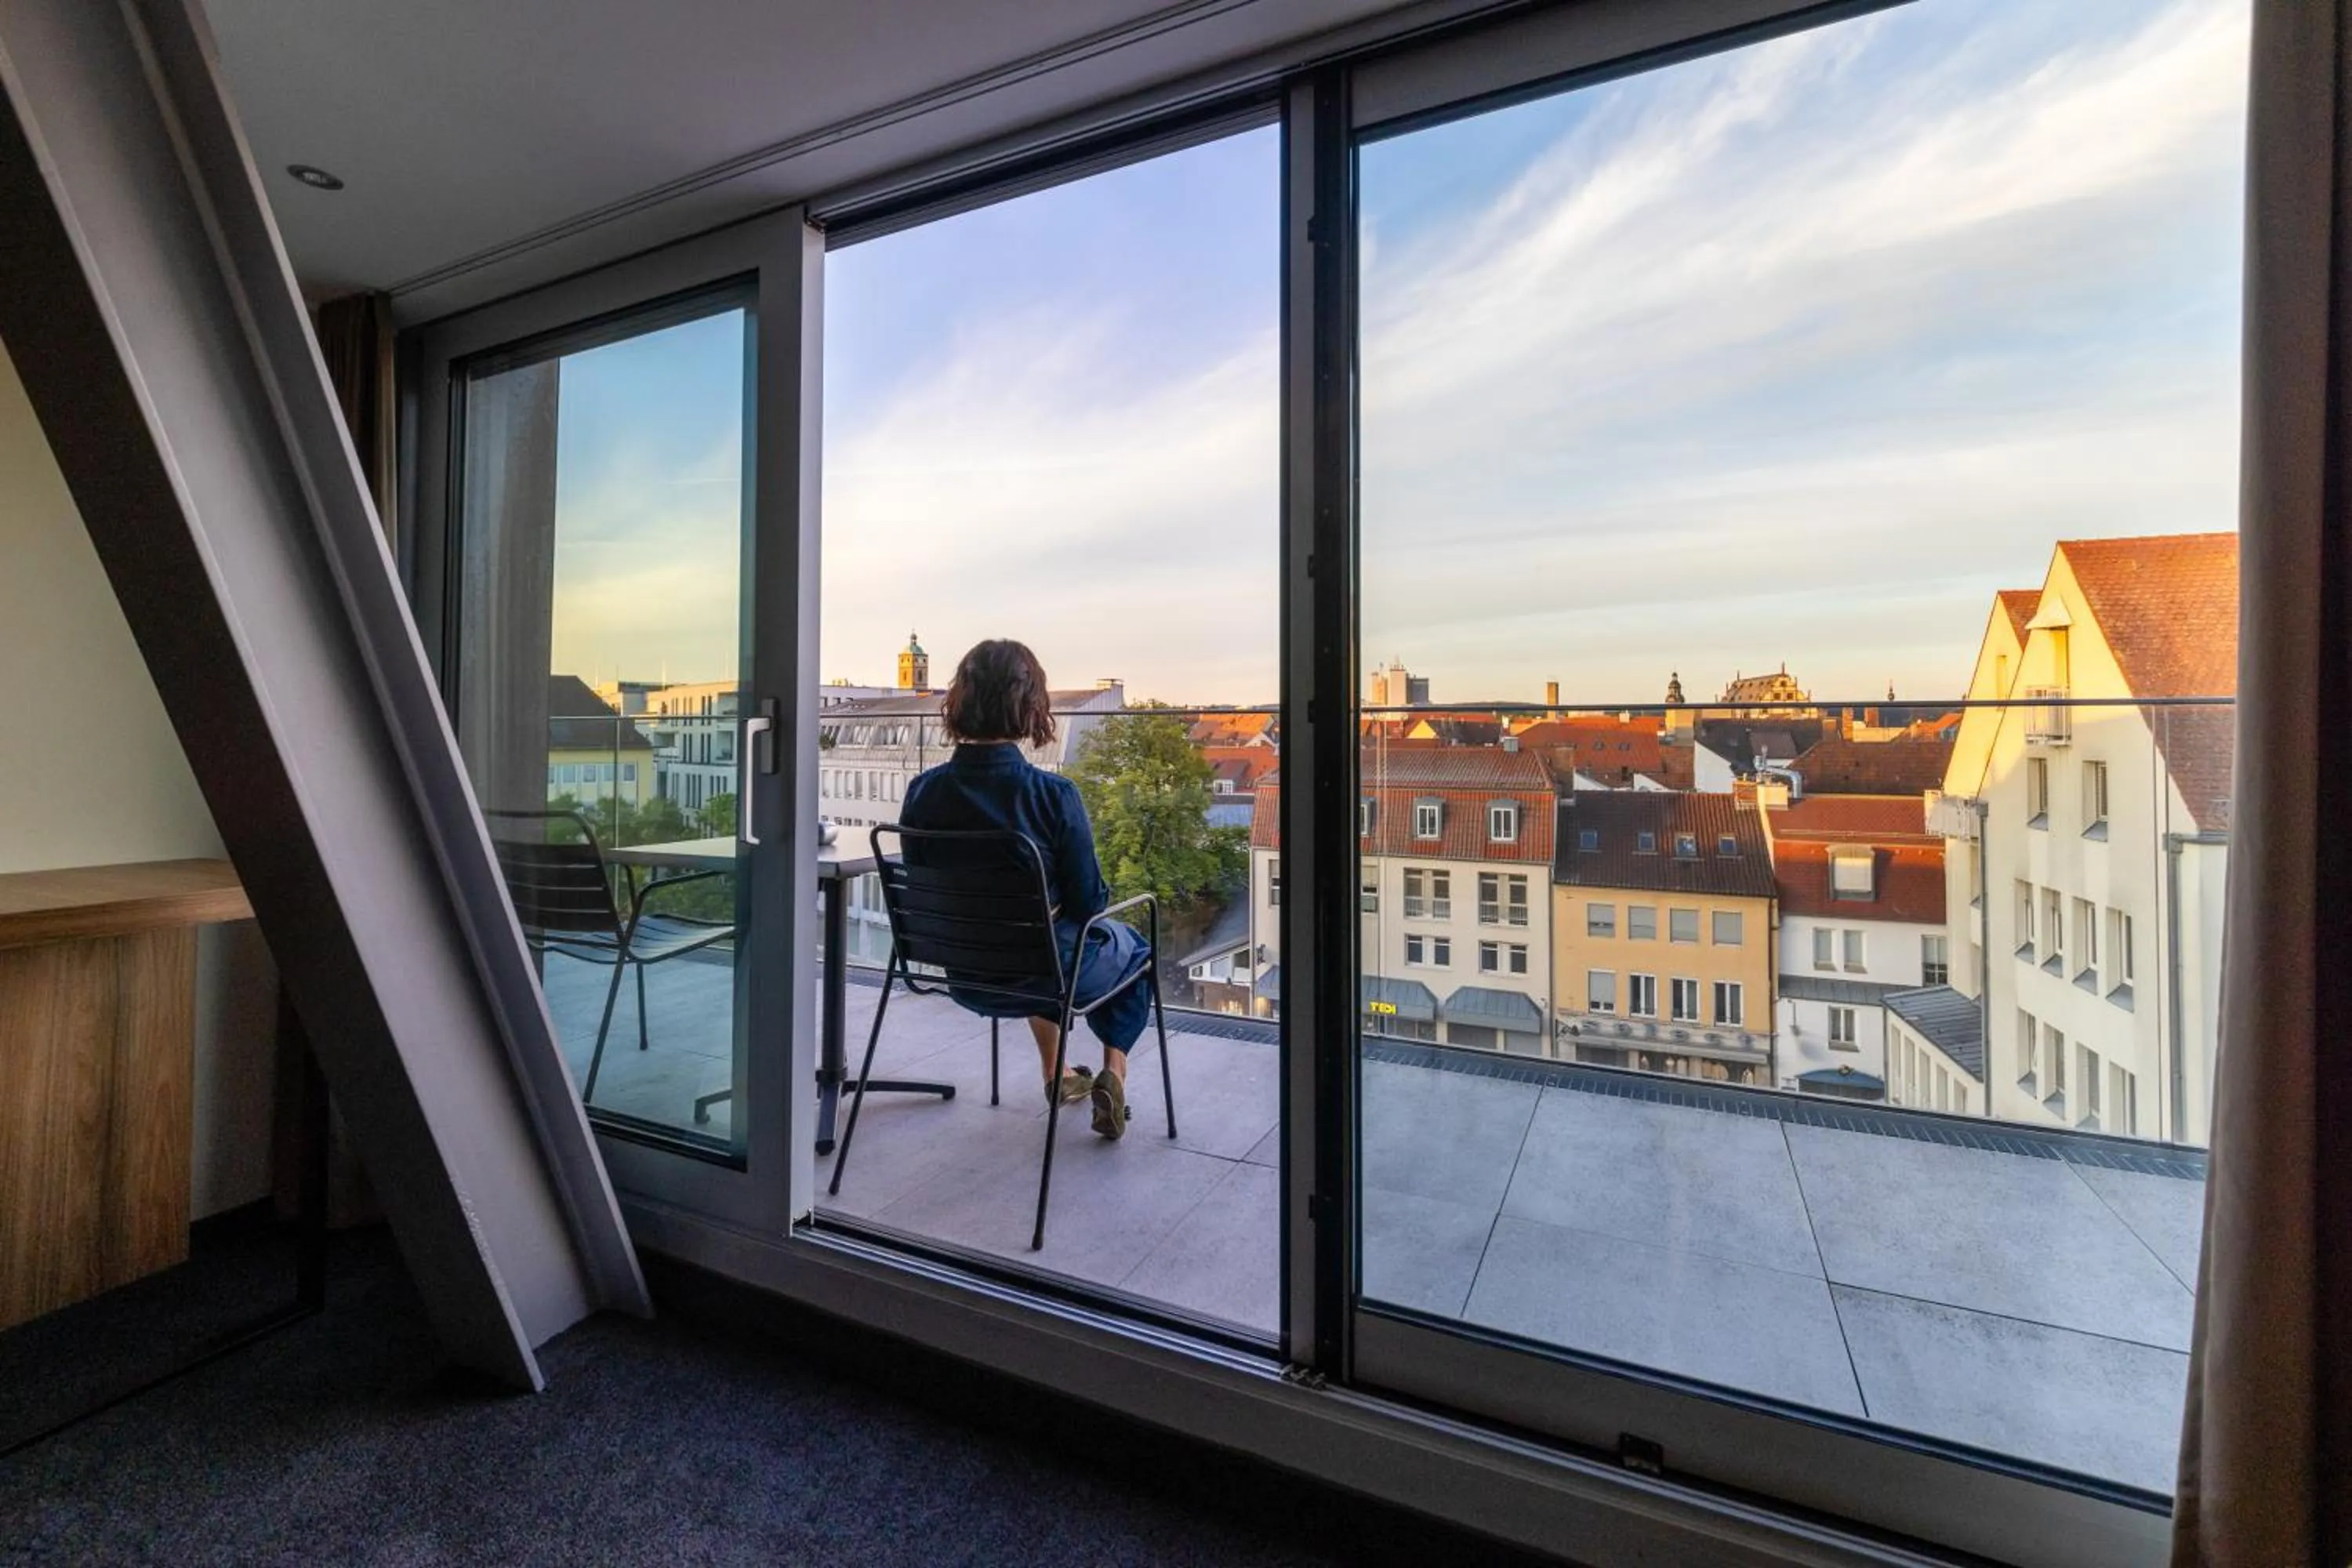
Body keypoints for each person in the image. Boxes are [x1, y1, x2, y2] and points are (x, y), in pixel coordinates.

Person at [897, 639, 1150, 1139]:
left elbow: (927, 889)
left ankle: (1057, 1074)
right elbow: (1089, 903)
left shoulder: (922, 792)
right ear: (1032, 704)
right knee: (1131, 947)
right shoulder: (1054, 795)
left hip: (966, 975)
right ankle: (1114, 1074)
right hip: (1041, 972)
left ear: (959, 701)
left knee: (1039, 938)